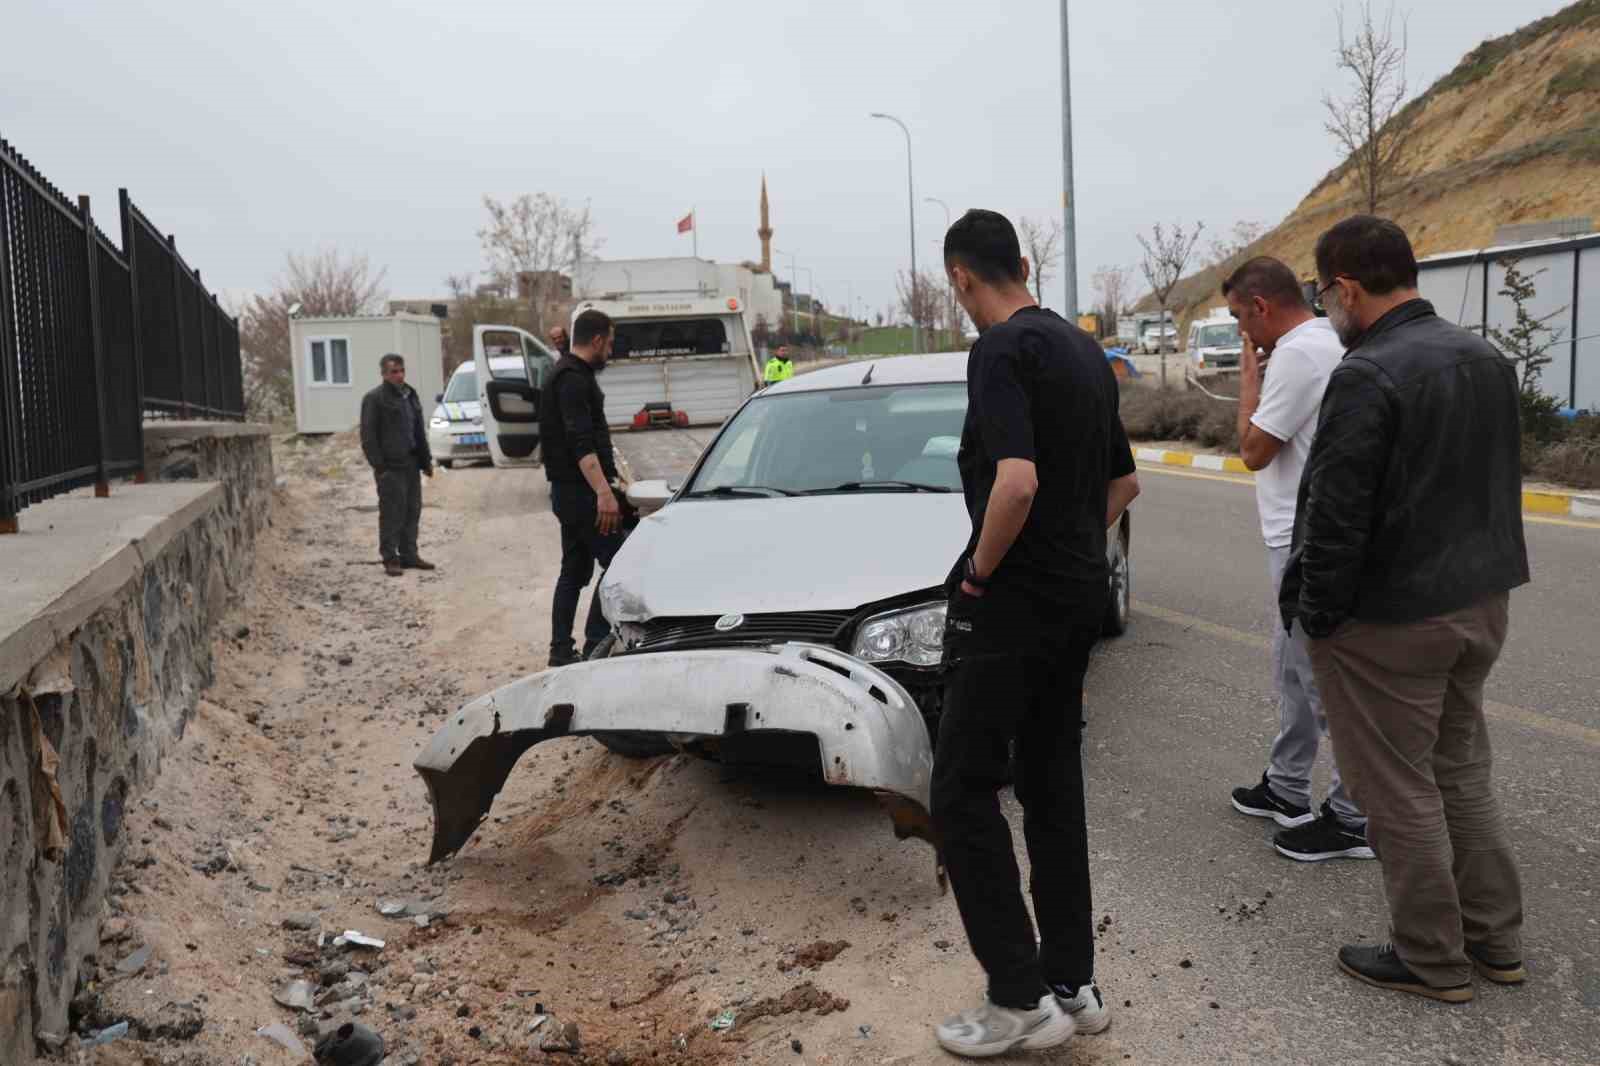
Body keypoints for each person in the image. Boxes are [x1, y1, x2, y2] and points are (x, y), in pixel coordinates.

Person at [1283, 216, 1530, 1002]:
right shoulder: (1484, 358)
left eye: (1324, 295)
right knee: (1460, 772)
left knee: (1397, 790)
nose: (1327, 310)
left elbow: (1335, 514)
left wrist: (1318, 617)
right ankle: (1494, 940)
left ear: (1347, 288)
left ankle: (1431, 956)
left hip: (1391, 624)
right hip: (1478, 605)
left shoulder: (1367, 374)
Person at [931, 209, 1140, 1058]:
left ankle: (1018, 998)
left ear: (961, 277)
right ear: (1021, 262)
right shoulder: (1084, 350)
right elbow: (1123, 483)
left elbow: (1012, 483)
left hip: (1011, 605)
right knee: (1052, 786)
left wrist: (981, 572)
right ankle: (1073, 985)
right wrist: (1068, 553)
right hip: (1075, 600)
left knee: (959, 789)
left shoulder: (1000, 350)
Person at [1222, 257, 1372, 863]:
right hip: (1299, 532)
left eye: (1239, 317)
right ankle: (1286, 788)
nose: (1241, 331)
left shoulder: (1299, 352)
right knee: (1294, 671)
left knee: (1316, 678)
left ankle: (1354, 816)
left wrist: (1249, 377)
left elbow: (1254, 448)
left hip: (1304, 538)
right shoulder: (1319, 343)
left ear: (1261, 305)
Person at [542, 309, 628, 667]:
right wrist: (604, 493)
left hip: (571, 492)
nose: (610, 351)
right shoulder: (573, 379)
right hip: (582, 494)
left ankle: (561, 651)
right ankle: (595, 642)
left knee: (575, 570)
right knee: (621, 562)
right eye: (608, 344)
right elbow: (581, 442)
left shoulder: (569, 372)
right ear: (596, 341)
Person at [359, 354, 435, 577]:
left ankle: (409, 554)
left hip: (411, 463)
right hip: (391, 467)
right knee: (392, 512)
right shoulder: (374, 399)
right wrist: (380, 467)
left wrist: (426, 461)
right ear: (383, 374)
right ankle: (390, 558)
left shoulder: (410, 395)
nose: (399, 375)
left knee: (412, 510)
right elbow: (368, 437)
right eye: (394, 371)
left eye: (401, 370)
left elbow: (418, 431)